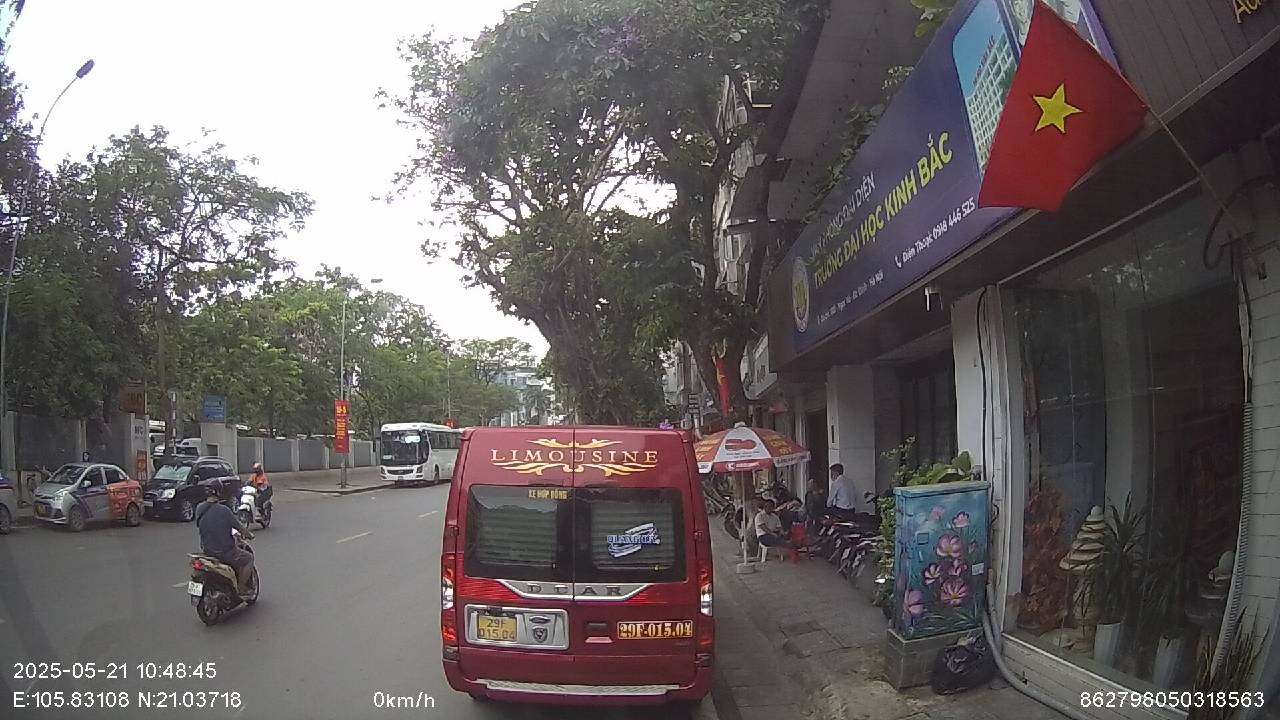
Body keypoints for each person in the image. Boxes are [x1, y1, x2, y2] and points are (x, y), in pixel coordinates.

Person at [195, 485, 256, 594]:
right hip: (225, 552)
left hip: (207, 551)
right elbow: (240, 527)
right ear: (219, 492)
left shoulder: (199, 508)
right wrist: (249, 535)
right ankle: (241, 587)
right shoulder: (225, 510)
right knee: (249, 558)